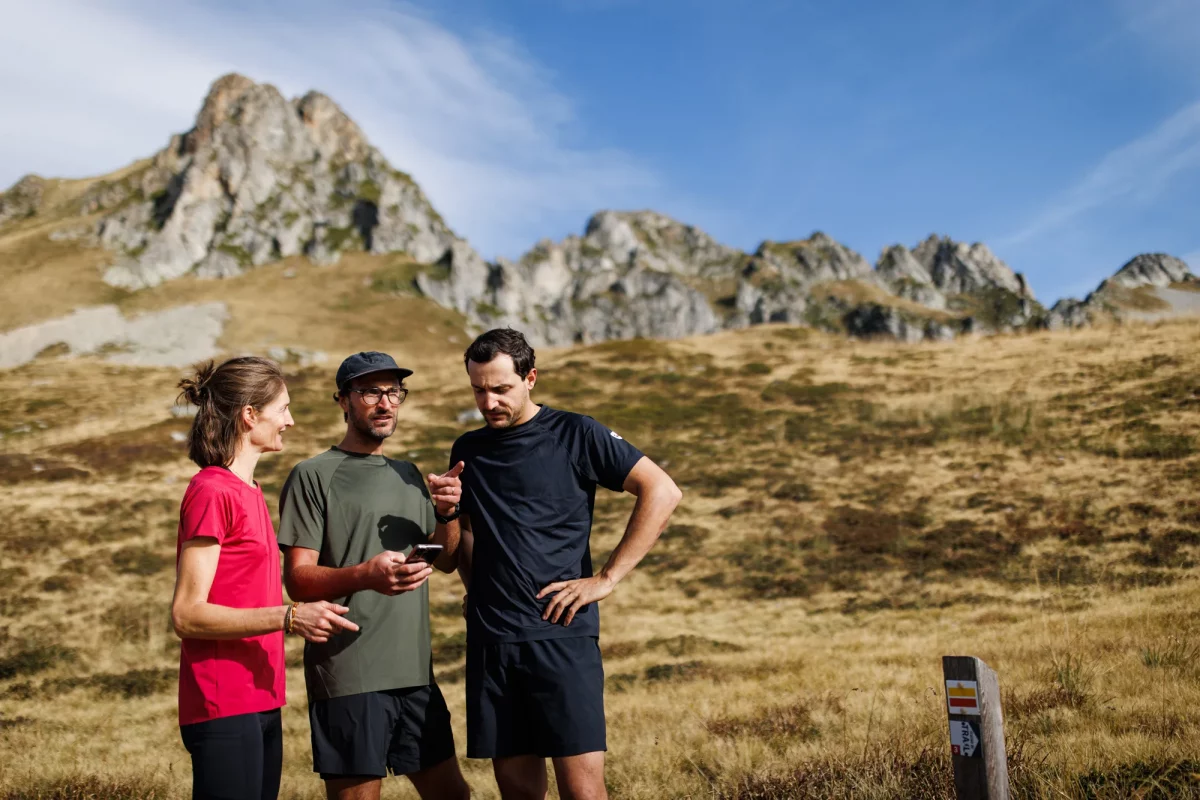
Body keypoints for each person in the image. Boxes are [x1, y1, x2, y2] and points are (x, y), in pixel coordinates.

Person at [450, 329, 683, 800]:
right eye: (478, 389)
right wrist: (476, 589)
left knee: (583, 792)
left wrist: (606, 579)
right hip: (494, 643)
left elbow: (662, 491)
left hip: (562, 636)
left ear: (530, 378)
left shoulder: (576, 433)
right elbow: (469, 536)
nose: (488, 401)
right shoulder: (468, 450)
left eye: (501, 389)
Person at [277, 351, 471, 800]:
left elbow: (444, 559)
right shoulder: (312, 475)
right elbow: (298, 580)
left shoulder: (408, 475)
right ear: (343, 401)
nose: (385, 403)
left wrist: (448, 512)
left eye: (393, 392)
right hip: (349, 674)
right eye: (370, 392)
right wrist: (364, 575)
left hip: (416, 674)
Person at [171, 356, 359, 800]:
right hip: (221, 699)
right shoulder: (212, 491)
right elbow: (187, 614)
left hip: (261, 694)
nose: (290, 421)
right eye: (283, 409)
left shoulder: (251, 492)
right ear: (249, 415)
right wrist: (290, 618)